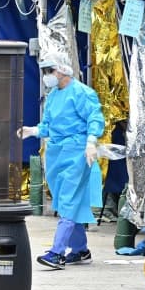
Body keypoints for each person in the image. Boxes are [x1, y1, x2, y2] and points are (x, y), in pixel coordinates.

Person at [17, 51, 105, 270]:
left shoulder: (82, 93)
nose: (47, 75)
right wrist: (33, 130)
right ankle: (80, 249)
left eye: (50, 70)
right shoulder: (54, 96)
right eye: (45, 71)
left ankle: (57, 253)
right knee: (66, 201)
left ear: (63, 69)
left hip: (76, 153)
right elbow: (47, 125)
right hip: (56, 154)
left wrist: (91, 142)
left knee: (68, 200)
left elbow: (94, 117)